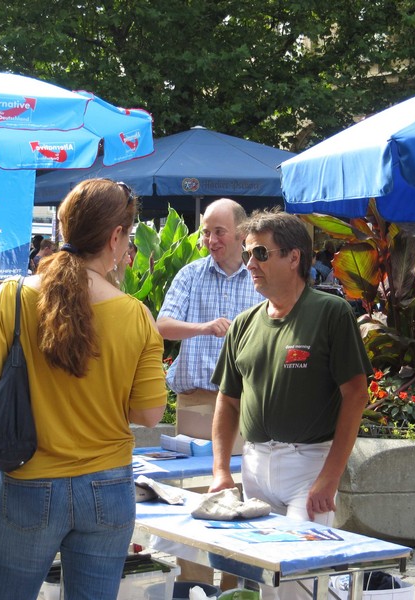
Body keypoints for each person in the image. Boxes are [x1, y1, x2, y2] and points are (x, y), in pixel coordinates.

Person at [0, 179, 166, 600]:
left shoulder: (13, 297)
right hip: (108, 486)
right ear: (115, 238)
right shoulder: (137, 315)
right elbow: (149, 414)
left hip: (30, 478)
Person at [209, 210, 372, 600]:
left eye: (261, 253)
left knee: (296, 583)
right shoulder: (245, 323)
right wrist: (220, 471)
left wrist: (330, 477)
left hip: (307, 468)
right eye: (248, 254)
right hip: (254, 468)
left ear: (294, 257)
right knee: (260, 582)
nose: (250, 263)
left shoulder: (330, 312)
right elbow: (227, 401)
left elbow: (356, 394)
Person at [156, 197, 262, 587]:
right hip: (196, 402)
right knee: (195, 502)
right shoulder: (191, 274)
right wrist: (202, 328)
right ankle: (194, 587)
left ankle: (234, 591)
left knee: (236, 498)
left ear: (240, 235)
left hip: (244, 404)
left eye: (218, 232)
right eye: (205, 231)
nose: (210, 239)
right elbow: (161, 325)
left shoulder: (259, 278)